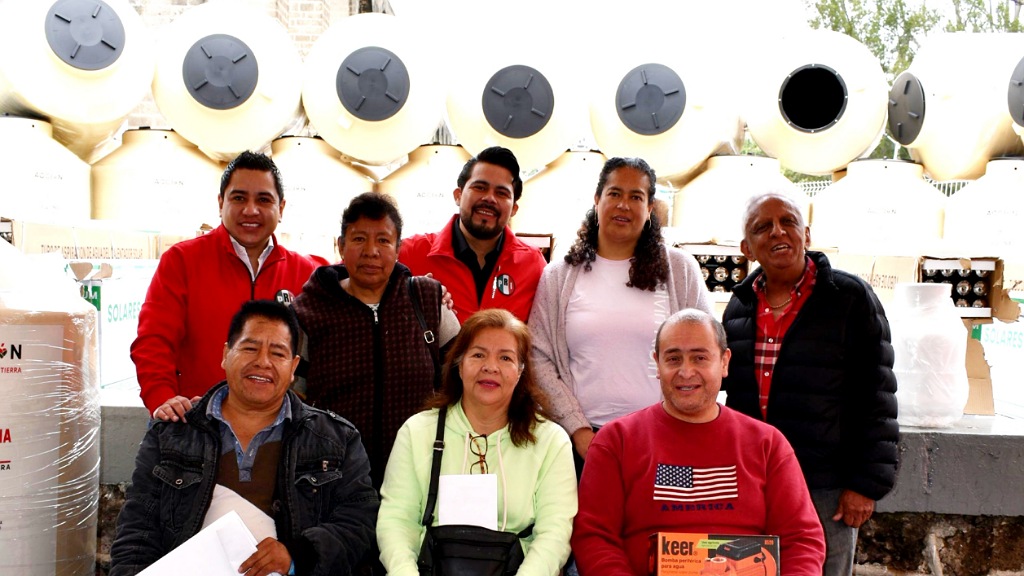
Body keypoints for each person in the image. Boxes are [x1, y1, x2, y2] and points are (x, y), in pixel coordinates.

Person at [110, 300, 378, 576]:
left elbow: (359, 524)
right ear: (226, 354)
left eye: (277, 353)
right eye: (250, 348)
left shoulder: (336, 439)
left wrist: (296, 555)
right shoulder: (173, 433)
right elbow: (137, 532)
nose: (263, 362)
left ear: (293, 367)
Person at [721, 191, 899, 576]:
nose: (777, 232)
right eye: (762, 227)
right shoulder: (738, 308)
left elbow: (877, 395)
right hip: (755, 485)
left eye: (788, 221)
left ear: (807, 233)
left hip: (826, 488)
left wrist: (866, 485)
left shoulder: (850, 298)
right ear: (746, 248)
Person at [571, 309, 825, 576]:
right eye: (673, 358)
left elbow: (802, 540)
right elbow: (594, 537)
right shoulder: (615, 441)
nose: (685, 371)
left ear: (724, 362)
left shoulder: (767, 444)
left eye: (700, 358)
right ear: (657, 364)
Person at [529, 156, 712, 474]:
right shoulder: (559, 275)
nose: (624, 205)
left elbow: (706, 352)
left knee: (669, 509)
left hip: (669, 439)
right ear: (597, 199)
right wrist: (579, 432)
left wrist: (682, 420)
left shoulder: (680, 269)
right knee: (588, 510)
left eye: (636, 197)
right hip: (581, 447)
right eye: (614, 193)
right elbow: (538, 356)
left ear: (650, 208)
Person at [377, 309, 577, 576]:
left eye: (505, 357)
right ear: (459, 365)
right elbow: (396, 521)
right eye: (479, 355)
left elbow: (554, 534)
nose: (490, 367)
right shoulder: (417, 432)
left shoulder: (551, 441)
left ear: (520, 372)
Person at [131, 151, 327, 419]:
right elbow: (153, 341)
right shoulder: (182, 261)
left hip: (280, 430)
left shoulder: (307, 273)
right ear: (221, 202)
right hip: (196, 424)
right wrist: (162, 398)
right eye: (239, 198)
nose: (251, 210)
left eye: (263, 199)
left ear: (281, 208)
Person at [290, 192, 460, 489]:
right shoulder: (309, 312)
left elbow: (463, 379)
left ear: (398, 249)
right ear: (341, 246)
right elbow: (293, 400)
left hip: (419, 475)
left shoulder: (427, 301)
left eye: (383, 240)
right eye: (359, 239)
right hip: (332, 480)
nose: (371, 251)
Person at [399, 146, 547, 323]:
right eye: (480, 187)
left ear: (514, 209)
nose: (489, 198)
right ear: (458, 195)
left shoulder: (533, 265)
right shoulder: (410, 253)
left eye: (501, 193)